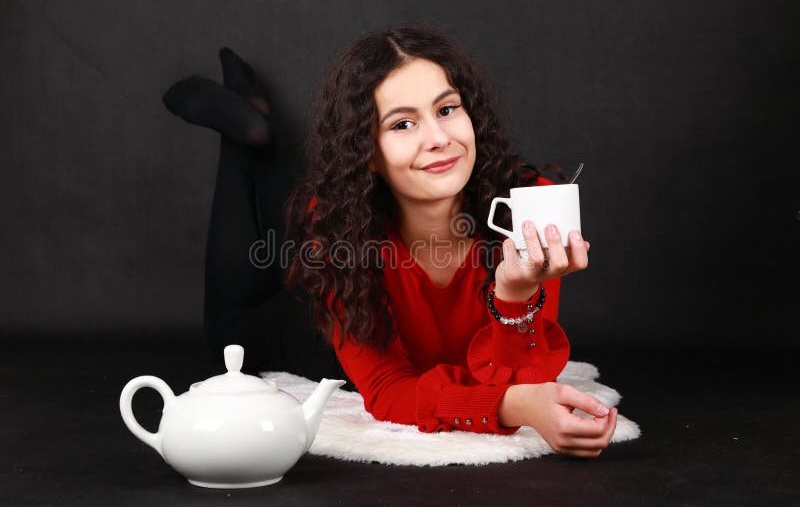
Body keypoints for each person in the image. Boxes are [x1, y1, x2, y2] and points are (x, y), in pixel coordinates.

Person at [164, 26, 617, 458]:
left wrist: (516, 294)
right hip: (318, 330)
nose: (439, 139)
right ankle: (244, 137)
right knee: (229, 323)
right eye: (402, 124)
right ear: (368, 155)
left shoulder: (530, 209)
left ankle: (258, 130)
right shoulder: (336, 225)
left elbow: (527, 377)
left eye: (446, 110)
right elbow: (387, 389)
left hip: (359, 242)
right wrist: (510, 408)